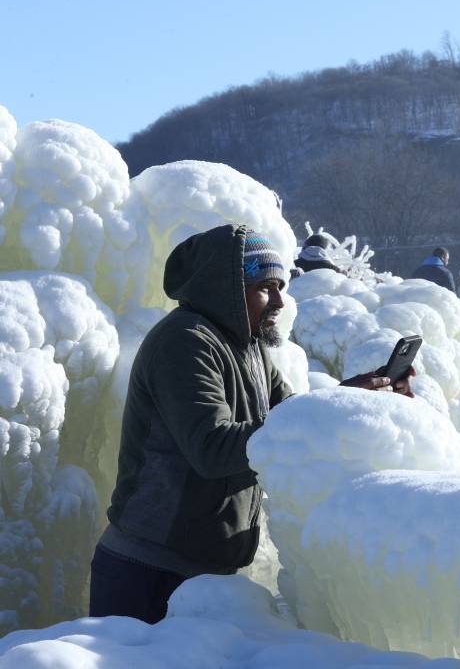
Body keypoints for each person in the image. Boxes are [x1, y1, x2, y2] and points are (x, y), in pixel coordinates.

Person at [90, 225, 411, 624]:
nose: (279, 299)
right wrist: (320, 414)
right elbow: (212, 448)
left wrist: (354, 397)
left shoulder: (249, 344)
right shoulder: (186, 341)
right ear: (223, 287)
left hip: (201, 570)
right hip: (149, 572)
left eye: (280, 286)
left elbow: (293, 417)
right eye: (266, 287)